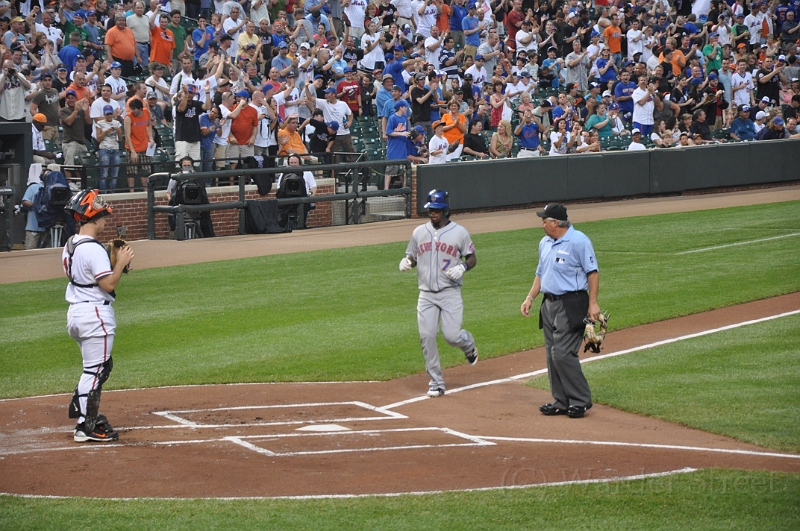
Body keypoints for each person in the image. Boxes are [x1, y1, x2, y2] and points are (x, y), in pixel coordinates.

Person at [63, 189, 134, 442]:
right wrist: (120, 263)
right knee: (95, 370)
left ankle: (80, 405)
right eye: (103, 216)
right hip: (95, 315)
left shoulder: (70, 244)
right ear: (92, 217)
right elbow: (108, 285)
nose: (105, 221)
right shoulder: (92, 249)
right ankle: (86, 424)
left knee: (99, 367)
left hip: (77, 313)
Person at [520, 202, 600, 419]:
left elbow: (592, 273)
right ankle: (561, 401)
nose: (541, 224)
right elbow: (540, 273)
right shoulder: (544, 243)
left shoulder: (579, 241)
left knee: (562, 353)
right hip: (548, 304)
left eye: (544, 220)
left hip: (571, 303)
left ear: (555, 222)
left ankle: (580, 400)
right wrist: (530, 298)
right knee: (551, 353)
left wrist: (593, 303)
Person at [399, 189, 478, 398]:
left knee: (452, 336)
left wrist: (463, 267)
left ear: (445, 210)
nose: (432, 213)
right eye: (430, 210)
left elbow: (471, 258)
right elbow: (412, 255)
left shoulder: (459, 232)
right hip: (426, 294)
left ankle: (467, 344)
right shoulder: (419, 232)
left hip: (450, 292)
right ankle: (436, 382)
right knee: (427, 337)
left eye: (436, 210)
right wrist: (408, 261)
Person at [95, 105, 123, 193]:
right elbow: (98, 139)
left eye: (110, 114)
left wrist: (118, 131)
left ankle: (112, 193)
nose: (109, 116)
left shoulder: (117, 123)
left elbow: (121, 139)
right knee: (104, 174)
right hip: (104, 149)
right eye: (107, 114)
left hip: (115, 149)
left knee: (114, 174)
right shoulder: (100, 123)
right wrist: (106, 131)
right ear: (104, 114)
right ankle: (104, 194)